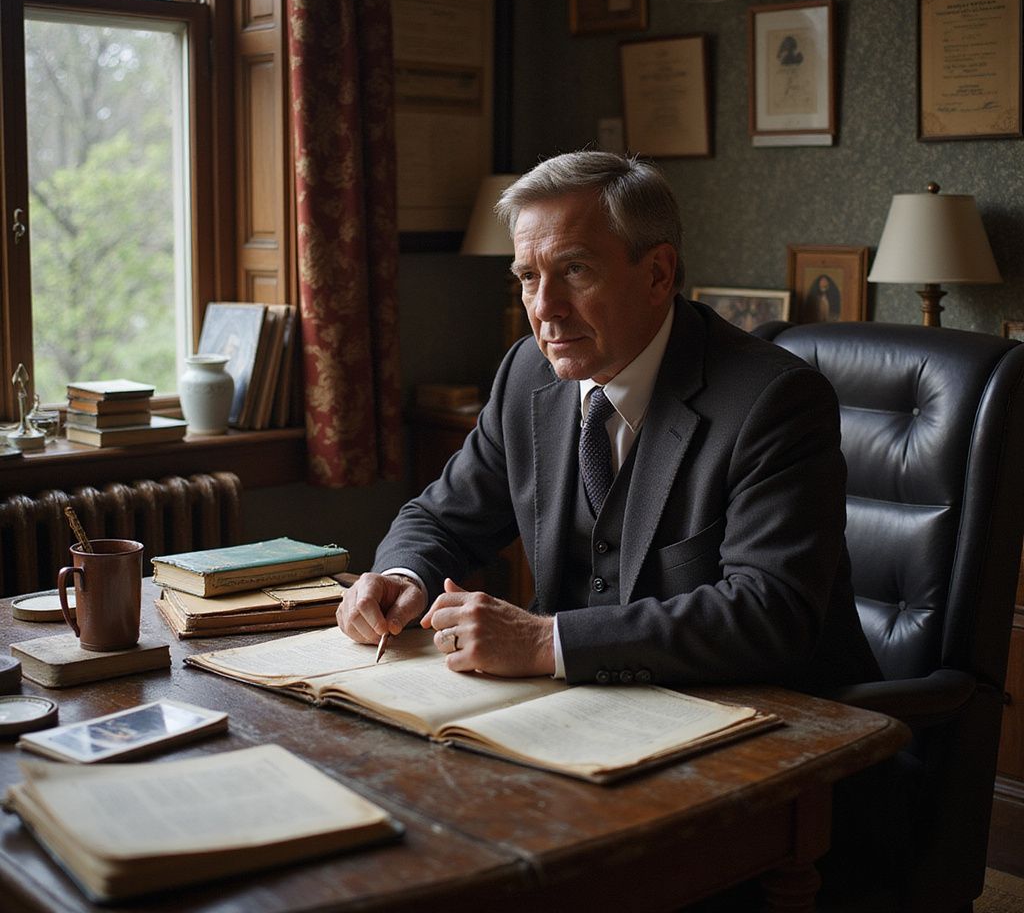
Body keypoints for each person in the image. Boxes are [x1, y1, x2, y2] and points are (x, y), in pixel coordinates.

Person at [338, 150, 879, 693]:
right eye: (529, 276)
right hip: (573, 706)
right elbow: (443, 518)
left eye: (574, 270)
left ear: (658, 274)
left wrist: (544, 642)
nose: (546, 307)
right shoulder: (527, 372)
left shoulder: (774, 400)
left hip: (760, 717)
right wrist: (399, 577)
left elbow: (770, 613)